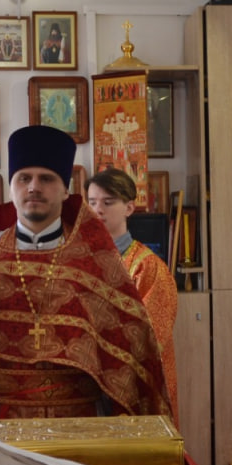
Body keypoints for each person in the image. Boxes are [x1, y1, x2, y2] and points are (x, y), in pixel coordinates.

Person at [0, 125, 169, 425]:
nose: (34, 187)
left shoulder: (96, 260)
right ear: (10, 187)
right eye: (24, 178)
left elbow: (129, 352)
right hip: (4, 429)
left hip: (85, 428)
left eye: (46, 179)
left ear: (65, 189)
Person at [86, 167, 180, 420]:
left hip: (135, 386)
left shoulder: (147, 267)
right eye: (92, 202)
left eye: (108, 202)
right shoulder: (81, 261)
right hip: (88, 384)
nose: (98, 210)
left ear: (129, 208)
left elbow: (151, 337)